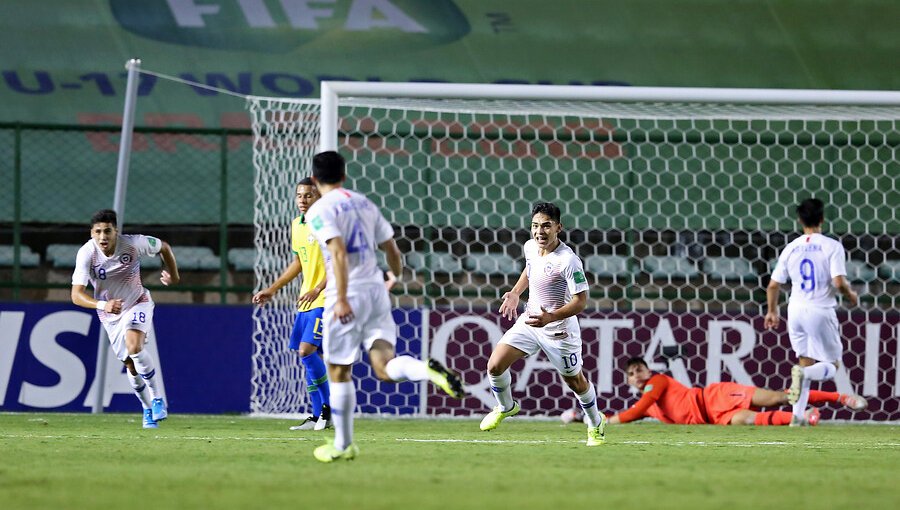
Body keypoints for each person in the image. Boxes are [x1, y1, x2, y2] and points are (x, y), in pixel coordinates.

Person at [305, 150, 465, 462]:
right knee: (384, 365)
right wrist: (395, 274)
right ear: (344, 175)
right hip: (377, 290)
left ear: (314, 179)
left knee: (338, 369)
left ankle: (342, 444)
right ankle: (425, 370)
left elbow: (337, 252)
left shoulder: (319, 209)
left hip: (347, 293)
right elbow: (391, 249)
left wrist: (339, 299)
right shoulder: (364, 202)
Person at [479, 202, 606, 447]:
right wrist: (516, 292)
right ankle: (506, 406)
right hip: (530, 321)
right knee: (494, 365)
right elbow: (529, 269)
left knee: (575, 382)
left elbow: (580, 302)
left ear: (559, 227)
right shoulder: (530, 247)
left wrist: (551, 317)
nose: (540, 231)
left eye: (546, 226)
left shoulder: (568, 261)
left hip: (559, 331)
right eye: (536, 226)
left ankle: (595, 422)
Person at [70, 209, 180, 429]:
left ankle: (158, 399)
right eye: (98, 232)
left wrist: (174, 276)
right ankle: (147, 408)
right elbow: (76, 295)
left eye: (107, 231)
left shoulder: (133, 244)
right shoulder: (86, 254)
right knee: (130, 364)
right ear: (92, 233)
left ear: (116, 231)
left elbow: (164, 247)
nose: (103, 237)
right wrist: (103, 304)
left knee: (134, 346)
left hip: (138, 301)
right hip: (110, 314)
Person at [764, 198, 860, 425]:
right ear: (822, 219)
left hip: (795, 310)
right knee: (832, 365)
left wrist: (771, 311)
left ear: (800, 220)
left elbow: (773, 285)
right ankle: (804, 375)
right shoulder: (831, 246)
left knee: (805, 360)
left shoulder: (791, 247)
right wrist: (851, 295)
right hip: (820, 309)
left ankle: (796, 418)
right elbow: (838, 282)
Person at [253, 178, 332, 431]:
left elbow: (340, 260)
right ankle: (317, 413)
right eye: (299, 195)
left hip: (326, 297)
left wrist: (319, 287)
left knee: (306, 351)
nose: (302, 200)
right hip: (305, 300)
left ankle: (330, 409)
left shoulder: (326, 224)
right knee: (308, 356)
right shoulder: (297, 226)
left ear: (319, 198)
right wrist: (272, 289)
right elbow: (298, 262)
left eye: (308, 195)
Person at [607, 357, 867, 426]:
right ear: (628, 381)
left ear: (648, 370)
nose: (637, 376)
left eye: (639, 369)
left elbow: (633, 412)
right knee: (748, 420)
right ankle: (804, 417)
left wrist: (601, 423)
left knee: (778, 397)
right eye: (631, 374)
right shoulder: (648, 402)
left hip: (714, 397)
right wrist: (589, 418)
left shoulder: (658, 381)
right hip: (713, 418)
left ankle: (841, 397)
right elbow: (633, 413)